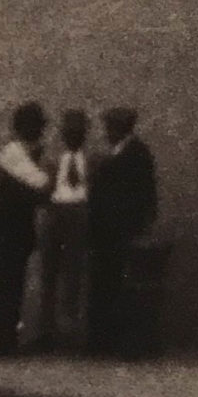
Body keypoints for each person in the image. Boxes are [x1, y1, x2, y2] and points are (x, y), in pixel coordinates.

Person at [0, 102, 50, 358]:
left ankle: (2, 340)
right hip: (11, 236)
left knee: (9, 288)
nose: (41, 131)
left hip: (12, 236)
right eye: (38, 126)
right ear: (25, 127)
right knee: (7, 289)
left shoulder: (19, 153)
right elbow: (39, 185)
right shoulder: (14, 154)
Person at [86, 106, 157, 357]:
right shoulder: (117, 153)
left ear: (121, 128)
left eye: (111, 127)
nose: (108, 132)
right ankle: (102, 341)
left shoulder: (136, 153)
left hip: (119, 230)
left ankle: (110, 342)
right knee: (105, 283)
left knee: (114, 284)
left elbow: (144, 194)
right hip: (106, 230)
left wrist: (139, 226)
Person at [31, 108, 91, 352]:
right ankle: (46, 332)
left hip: (79, 221)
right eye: (68, 132)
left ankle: (71, 336)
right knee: (49, 276)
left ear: (84, 135)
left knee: (74, 278)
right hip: (55, 220)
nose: (72, 136)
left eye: (77, 132)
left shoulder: (92, 162)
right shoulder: (53, 162)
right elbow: (41, 191)